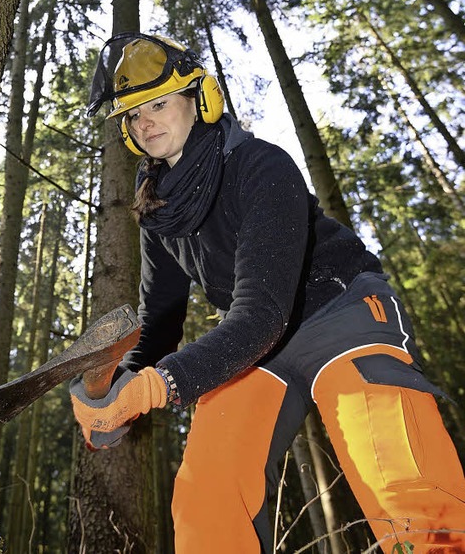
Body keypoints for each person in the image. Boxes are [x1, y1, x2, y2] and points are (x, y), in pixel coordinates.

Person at [70, 32, 465, 554]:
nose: (145, 123)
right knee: (207, 497)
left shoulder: (261, 164)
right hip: (256, 344)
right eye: (134, 116)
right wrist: (117, 391)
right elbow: (161, 323)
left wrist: (155, 387)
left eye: (158, 104)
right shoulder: (158, 217)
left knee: (404, 485)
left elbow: (262, 313)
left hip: (340, 312)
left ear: (200, 99)